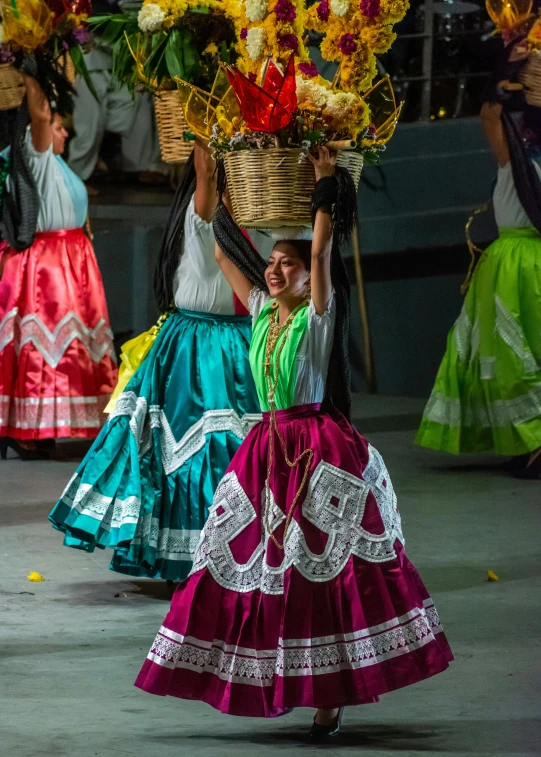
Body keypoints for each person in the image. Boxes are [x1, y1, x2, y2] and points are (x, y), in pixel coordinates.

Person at [135, 148, 453, 735]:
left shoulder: (317, 315)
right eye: (273, 262)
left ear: (308, 277)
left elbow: (323, 249)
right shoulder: (260, 311)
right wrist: (216, 187)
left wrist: (325, 185)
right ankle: (271, 675)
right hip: (266, 450)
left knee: (322, 575)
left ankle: (329, 693)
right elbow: (220, 250)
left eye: (288, 263)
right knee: (246, 567)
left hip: (318, 451)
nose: (276, 270)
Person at [49, 141, 266, 580]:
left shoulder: (259, 211)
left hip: (243, 344)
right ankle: (190, 559)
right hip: (195, 344)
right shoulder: (201, 207)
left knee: (238, 452)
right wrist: (209, 134)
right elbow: (206, 173)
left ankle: (238, 555)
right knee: (187, 453)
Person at [416, 44, 541, 478]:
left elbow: (489, 112)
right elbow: (493, 114)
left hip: (516, 264)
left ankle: (533, 441)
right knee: (518, 355)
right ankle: (524, 442)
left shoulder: (517, 155)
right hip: (521, 261)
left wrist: (505, 66)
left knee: (510, 356)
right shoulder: (520, 154)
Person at [0, 74, 117, 459]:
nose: (64, 132)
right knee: (44, 348)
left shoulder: (54, 166)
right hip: (47, 269)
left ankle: (43, 426)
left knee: (68, 347)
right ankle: (28, 429)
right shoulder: (35, 160)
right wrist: (33, 69)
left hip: (70, 264)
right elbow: (36, 116)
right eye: (57, 125)